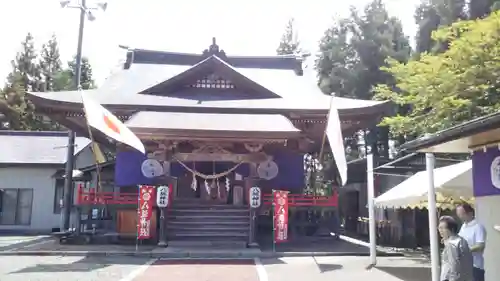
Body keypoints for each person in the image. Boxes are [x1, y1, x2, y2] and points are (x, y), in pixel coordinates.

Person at [457, 203, 487, 281]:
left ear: (470, 213)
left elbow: (480, 245)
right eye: (458, 214)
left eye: (462, 214)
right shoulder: (463, 226)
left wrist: (466, 250)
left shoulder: (478, 227)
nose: (460, 217)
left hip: (475, 266)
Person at [438, 215, 474, 281]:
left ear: (451, 229)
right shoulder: (462, 240)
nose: (440, 231)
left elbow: (454, 267)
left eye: (443, 228)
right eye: (439, 228)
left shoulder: (451, 244)